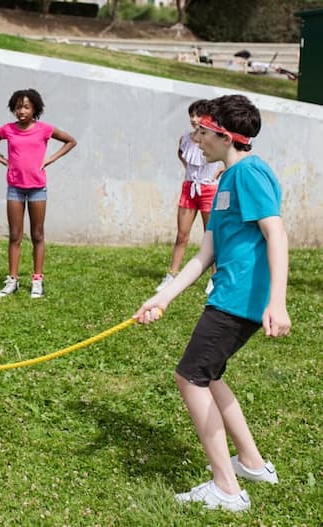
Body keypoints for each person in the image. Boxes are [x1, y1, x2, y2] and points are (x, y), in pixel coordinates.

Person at [134, 94, 291, 512]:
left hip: (240, 301)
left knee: (190, 377)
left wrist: (278, 302)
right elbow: (206, 254)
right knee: (210, 374)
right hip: (228, 295)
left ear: (223, 135)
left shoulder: (250, 174)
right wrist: (162, 297)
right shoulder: (224, 181)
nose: (196, 139)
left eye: (202, 132)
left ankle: (226, 488)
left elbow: (276, 233)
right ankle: (252, 464)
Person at [0, 88, 77, 298]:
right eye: (18, 107)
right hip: (15, 189)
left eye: (26, 107)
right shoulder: (8, 130)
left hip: (37, 189)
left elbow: (70, 140)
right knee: (15, 235)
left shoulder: (44, 129)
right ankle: (12, 280)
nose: (21, 111)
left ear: (35, 108)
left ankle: (37, 280)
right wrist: (1, 158)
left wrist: (50, 159)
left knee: (37, 235)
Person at [156, 99, 222, 294]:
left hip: (209, 190)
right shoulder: (185, 138)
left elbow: (229, 154)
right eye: (192, 115)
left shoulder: (214, 138)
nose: (194, 119)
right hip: (189, 188)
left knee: (211, 236)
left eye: (198, 115)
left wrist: (219, 171)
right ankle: (172, 274)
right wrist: (190, 172)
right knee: (182, 234)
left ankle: (215, 278)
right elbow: (181, 154)